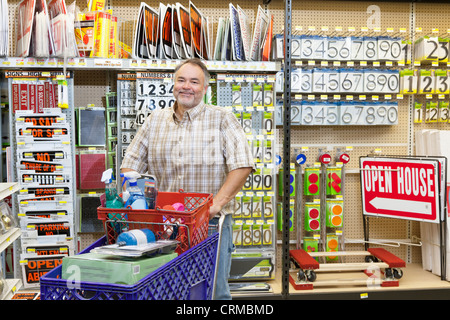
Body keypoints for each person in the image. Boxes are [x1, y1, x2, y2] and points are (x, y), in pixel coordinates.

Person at [120, 58, 254, 300]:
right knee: (166, 290)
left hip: (210, 225)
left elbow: (243, 165)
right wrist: (137, 203)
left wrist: (216, 205)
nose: (187, 86)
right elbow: (129, 166)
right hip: (163, 225)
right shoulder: (154, 120)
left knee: (211, 292)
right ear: (173, 84)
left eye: (194, 81)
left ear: (204, 88)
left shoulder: (222, 118)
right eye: (181, 80)